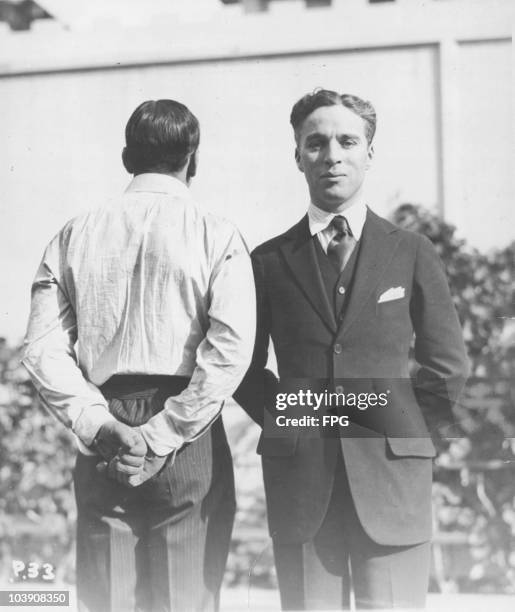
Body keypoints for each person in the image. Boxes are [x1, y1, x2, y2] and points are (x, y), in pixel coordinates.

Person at [235, 89, 469, 610]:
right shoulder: (268, 261)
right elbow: (243, 368)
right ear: (297, 156)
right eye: (315, 143)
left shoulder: (410, 252)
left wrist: (398, 429)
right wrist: (293, 418)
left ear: (369, 152)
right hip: (302, 484)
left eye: (347, 141)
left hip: (393, 481)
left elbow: (448, 367)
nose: (332, 155)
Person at [22, 99, 255, 612]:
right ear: (192, 159)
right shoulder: (217, 233)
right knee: (184, 598)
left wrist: (99, 425)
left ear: (128, 157)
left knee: (107, 600)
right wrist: (160, 437)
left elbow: (41, 348)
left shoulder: (73, 233)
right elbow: (231, 349)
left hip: (104, 428)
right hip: (186, 432)